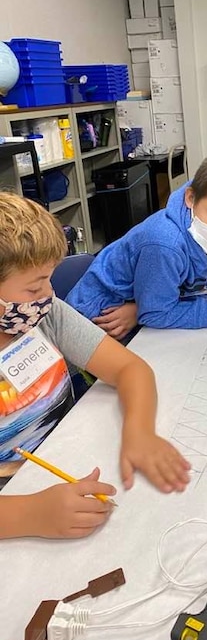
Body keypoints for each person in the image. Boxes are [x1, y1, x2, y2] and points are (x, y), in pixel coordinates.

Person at [0, 192, 191, 540]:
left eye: (49, 278)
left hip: (67, 457)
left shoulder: (45, 314)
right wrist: (30, 515)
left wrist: (139, 432)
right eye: (33, 287)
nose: (48, 293)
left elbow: (130, 369)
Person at [67, 151, 207, 339]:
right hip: (98, 319)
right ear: (190, 198)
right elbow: (156, 314)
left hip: (143, 308)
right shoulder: (164, 244)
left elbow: (182, 295)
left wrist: (142, 309)